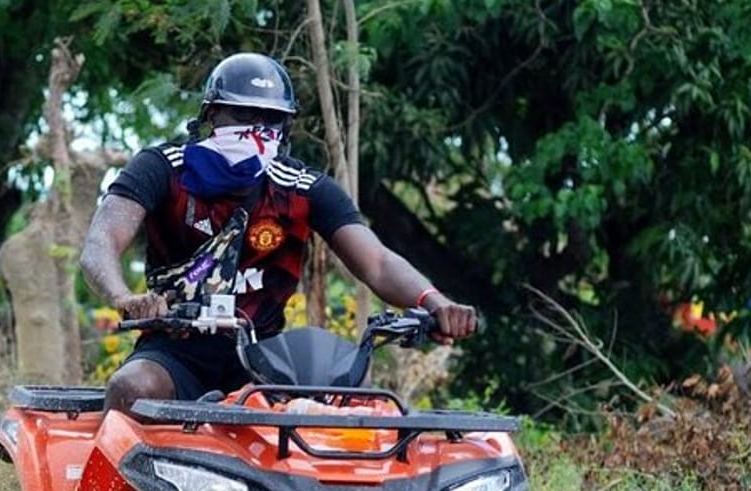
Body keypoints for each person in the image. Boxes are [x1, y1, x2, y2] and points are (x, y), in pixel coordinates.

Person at [79, 52, 478, 412]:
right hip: (174, 347)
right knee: (132, 386)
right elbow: (101, 241)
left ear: (286, 128)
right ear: (211, 117)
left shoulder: (301, 187)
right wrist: (125, 297)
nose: (257, 129)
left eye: (270, 119)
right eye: (242, 115)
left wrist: (434, 302)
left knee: (347, 385)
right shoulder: (163, 168)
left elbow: (376, 262)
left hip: (262, 353)